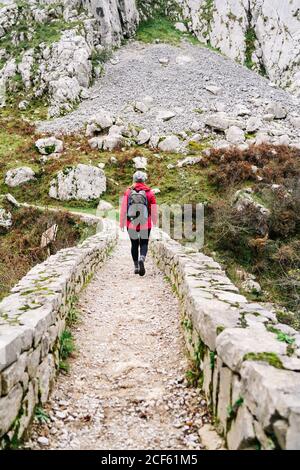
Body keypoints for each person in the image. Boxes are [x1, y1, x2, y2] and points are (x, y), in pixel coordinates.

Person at [120, 171, 158, 276]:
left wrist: (122, 222)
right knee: (144, 243)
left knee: (134, 244)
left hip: (131, 223)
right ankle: (142, 258)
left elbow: (123, 208)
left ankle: (136, 266)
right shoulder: (149, 193)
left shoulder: (128, 192)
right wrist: (154, 221)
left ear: (134, 179)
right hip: (145, 223)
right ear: (144, 180)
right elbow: (153, 209)